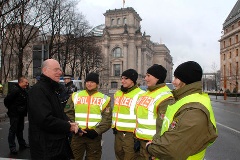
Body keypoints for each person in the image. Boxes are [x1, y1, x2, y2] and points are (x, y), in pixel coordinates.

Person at [146, 61, 218, 159]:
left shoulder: (194, 110)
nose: (173, 82)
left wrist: (150, 148)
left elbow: (171, 149)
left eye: (176, 78)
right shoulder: (182, 99)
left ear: (186, 80)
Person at [28, 59, 79, 159]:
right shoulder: (38, 90)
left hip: (55, 145)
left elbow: (59, 113)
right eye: (56, 70)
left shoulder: (52, 89)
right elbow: (45, 120)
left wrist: (70, 123)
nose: (60, 72)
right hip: (46, 148)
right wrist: (68, 126)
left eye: (59, 70)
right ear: (45, 70)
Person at [66, 72, 112, 160]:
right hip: (77, 134)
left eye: (92, 82)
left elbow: (107, 119)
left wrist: (96, 131)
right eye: (87, 81)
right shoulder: (75, 96)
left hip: (94, 136)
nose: (89, 84)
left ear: (97, 84)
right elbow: (68, 113)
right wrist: (75, 127)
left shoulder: (104, 98)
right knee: (74, 157)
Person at [134, 64, 174, 160]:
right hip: (140, 140)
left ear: (157, 78)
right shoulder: (146, 93)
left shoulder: (165, 96)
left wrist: (156, 147)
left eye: (148, 76)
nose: (145, 78)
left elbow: (164, 125)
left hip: (152, 144)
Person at [112, 69, 145, 160]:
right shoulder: (118, 93)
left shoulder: (141, 94)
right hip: (118, 132)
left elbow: (143, 116)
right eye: (122, 78)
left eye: (126, 78)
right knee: (119, 154)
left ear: (133, 80)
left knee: (130, 157)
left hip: (131, 135)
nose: (122, 81)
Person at [4, 76, 29, 154]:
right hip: (14, 114)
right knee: (13, 130)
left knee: (20, 129)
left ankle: (22, 144)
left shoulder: (23, 90)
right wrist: (12, 109)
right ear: (20, 82)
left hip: (21, 114)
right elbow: (6, 101)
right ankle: (12, 147)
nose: (27, 84)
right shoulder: (15, 90)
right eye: (26, 82)